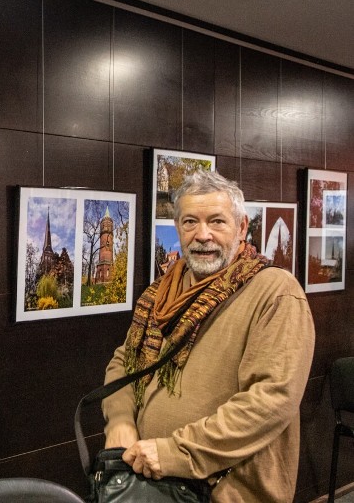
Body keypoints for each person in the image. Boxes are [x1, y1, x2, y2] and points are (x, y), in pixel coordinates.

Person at [102, 170, 314, 502]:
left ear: (242, 227)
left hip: (226, 492)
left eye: (217, 222)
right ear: (178, 229)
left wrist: (176, 453)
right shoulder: (163, 290)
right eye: (190, 222)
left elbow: (271, 400)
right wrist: (119, 421)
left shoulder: (275, 292)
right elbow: (124, 361)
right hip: (150, 481)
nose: (203, 235)